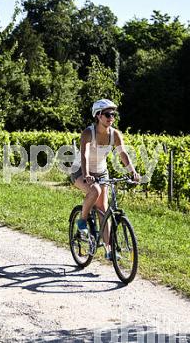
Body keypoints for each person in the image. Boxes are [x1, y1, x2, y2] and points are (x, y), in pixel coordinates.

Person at [71, 99, 140, 259]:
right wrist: (87, 174)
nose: (111, 118)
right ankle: (82, 221)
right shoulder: (89, 133)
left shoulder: (115, 134)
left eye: (113, 115)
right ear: (98, 115)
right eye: (108, 114)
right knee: (94, 190)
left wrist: (132, 171)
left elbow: (123, 154)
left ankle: (109, 250)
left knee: (103, 208)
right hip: (80, 170)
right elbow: (85, 155)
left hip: (101, 172)